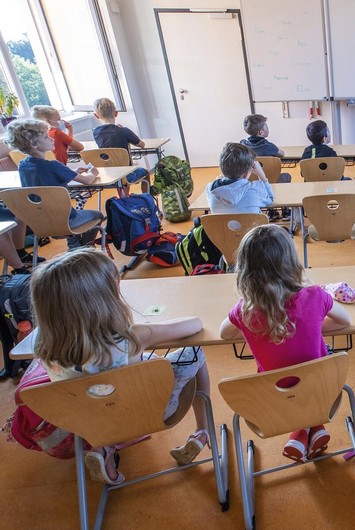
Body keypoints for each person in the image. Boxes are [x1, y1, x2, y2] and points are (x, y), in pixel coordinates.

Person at [31, 249, 213, 484]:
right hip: (147, 413)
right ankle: (202, 431)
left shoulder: (42, 343)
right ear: (103, 299)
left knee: (100, 387)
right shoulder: (131, 337)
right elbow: (194, 324)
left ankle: (102, 449)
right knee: (195, 352)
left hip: (84, 421)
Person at [219, 224, 351, 462]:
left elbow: (224, 334)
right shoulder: (316, 295)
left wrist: (258, 329)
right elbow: (344, 321)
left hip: (273, 401)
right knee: (309, 375)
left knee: (290, 383)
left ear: (245, 270)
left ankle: (300, 433)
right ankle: (313, 427)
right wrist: (309, 326)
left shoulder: (244, 311)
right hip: (322, 392)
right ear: (291, 262)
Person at [5, 119, 103, 250]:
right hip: (67, 220)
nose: (51, 139)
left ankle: (75, 246)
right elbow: (88, 181)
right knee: (98, 215)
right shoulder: (53, 166)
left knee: (66, 214)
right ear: (34, 144)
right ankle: (83, 248)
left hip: (39, 224)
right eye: (46, 137)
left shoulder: (23, 166)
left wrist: (71, 172)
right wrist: (93, 172)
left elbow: (45, 182)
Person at [91, 97, 149, 186]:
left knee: (122, 174)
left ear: (96, 115)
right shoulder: (124, 131)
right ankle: (146, 194)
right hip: (127, 175)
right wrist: (127, 137)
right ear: (116, 113)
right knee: (145, 172)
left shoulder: (96, 132)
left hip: (108, 176)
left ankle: (125, 194)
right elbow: (142, 145)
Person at [206, 143, 273, 214]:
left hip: (222, 222)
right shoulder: (255, 189)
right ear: (246, 174)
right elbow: (270, 198)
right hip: (251, 222)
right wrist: (262, 175)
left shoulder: (210, 188)